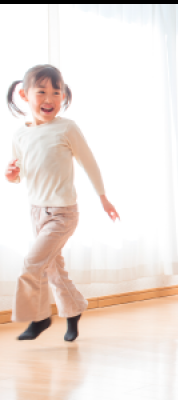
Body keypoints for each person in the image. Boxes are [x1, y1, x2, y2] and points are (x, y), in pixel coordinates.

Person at [4, 65, 119, 342]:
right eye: (41, 92)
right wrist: (11, 176)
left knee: (32, 264)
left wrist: (103, 197)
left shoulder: (67, 128)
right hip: (36, 212)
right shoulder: (20, 135)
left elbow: (88, 163)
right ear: (24, 95)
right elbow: (20, 173)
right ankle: (74, 311)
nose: (50, 99)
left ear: (64, 96)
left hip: (62, 213)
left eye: (57, 93)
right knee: (53, 269)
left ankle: (39, 318)